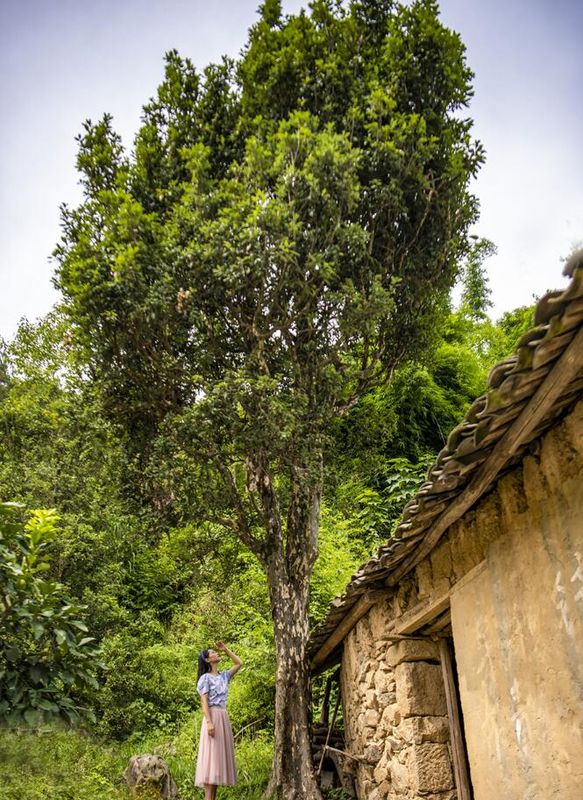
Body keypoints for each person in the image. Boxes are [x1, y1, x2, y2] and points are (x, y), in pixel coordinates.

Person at [195, 640, 242, 799]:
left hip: (223, 717)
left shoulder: (223, 676)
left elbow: (239, 663)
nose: (216, 653)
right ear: (208, 660)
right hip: (213, 717)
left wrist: (225, 649)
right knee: (210, 764)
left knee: (216, 765)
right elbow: (204, 702)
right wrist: (209, 722)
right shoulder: (205, 678)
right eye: (213, 653)